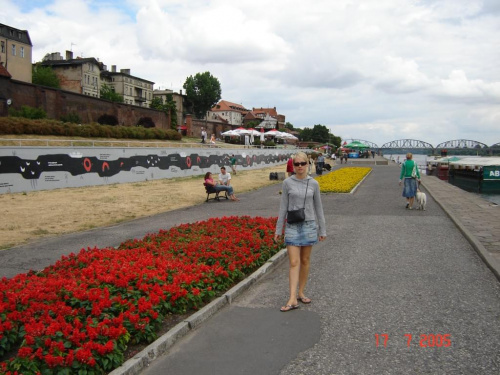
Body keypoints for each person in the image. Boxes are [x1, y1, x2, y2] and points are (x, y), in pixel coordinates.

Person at [274, 151, 326, 312]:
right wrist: (278, 229)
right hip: (292, 226)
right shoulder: (287, 183)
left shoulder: (314, 184)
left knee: (305, 261)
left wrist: (322, 229)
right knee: (294, 262)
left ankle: (301, 292)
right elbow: (283, 207)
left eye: (303, 163)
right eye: (296, 164)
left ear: (308, 164)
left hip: (309, 225)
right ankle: (292, 298)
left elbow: (319, 208)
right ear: (293, 166)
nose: (300, 167)